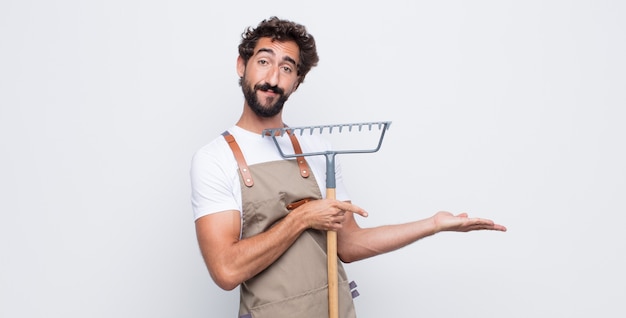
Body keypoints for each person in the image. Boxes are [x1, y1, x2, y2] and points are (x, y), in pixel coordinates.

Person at [190, 16, 507, 318]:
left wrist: (433, 224)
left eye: (286, 68)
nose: (273, 78)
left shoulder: (317, 150)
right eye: (264, 62)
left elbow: (350, 245)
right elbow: (226, 270)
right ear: (241, 65)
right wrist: (301, 217)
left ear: (297, 81)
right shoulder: (215, 159)